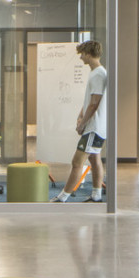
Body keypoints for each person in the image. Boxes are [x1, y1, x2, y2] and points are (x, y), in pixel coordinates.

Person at [53, 40, 107, 204]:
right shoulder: (97, 72)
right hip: (95, 126)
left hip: (93, 127)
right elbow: (89, 101)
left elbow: (94, 103)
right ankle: (96, 195)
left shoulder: (98, 74)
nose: (81, 57)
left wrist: (83, 123)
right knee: (94, 159)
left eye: (82, 54)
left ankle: (62, 197)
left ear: (89, 54)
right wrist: (80, 115)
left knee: (77, 162)